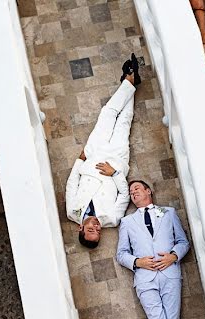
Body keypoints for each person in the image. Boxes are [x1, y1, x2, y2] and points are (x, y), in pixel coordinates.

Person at [115, 180, 192, 319]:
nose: (133, 193)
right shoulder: (127, 222)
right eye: (130, 192)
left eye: (136, 189)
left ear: (148, 191)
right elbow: (121, 254)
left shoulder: (168, 212)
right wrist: (138, 262)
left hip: (170, 274)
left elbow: (183, 242)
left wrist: (173, 257)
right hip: (145, 279)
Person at [66, 54, 141, 249]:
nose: (96, 228)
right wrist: (114, 173)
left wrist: (79, 160)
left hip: (93, 156)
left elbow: (72, 184)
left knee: (107, 113)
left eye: (91, 230)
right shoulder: (112, 219)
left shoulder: (72, 212)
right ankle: (129, 81)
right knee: (124, 122)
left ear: (80, 228)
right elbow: (125, 195)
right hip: (115, 161)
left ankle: (130, 81)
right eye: (98, 233)